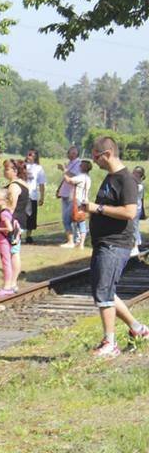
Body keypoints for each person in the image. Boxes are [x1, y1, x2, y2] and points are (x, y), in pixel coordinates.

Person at [84, 136, 147, 357]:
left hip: (115, 243)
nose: (94, 161)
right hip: (104, 242)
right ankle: (139, 329)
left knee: (104, 293)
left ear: (108, 154)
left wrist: (97, 209)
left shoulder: (126, 180)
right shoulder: (110, 178)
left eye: (96, 156)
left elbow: (130, 212)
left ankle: (110, 344)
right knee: (103, 290)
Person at [2, 159, 28, 290]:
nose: (4, 171)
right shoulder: (23, 184)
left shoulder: (13, 186)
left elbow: (11, 207)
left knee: (13, 252)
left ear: (15, 171)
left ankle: (12, 282)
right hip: (20, 220)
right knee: (15, 251)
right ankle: (13, 282)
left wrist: (5, 221)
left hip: (14, 222)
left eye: (7, 169)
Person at [0, 187, 20, 297]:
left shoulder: (3, 213)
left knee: (6, 262)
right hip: (9, 239)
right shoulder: (7, 211)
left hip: (4, 240)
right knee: (8, 261)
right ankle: (9, 285)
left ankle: (7, 286)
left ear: (5, 200)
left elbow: (9, 228)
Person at [60, 160, 92, 250]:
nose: (79, 166)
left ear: (84, 167)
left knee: (66, 220)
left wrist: (64, 171)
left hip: (76, 201)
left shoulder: (81, 177)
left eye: (81, 165)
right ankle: (81, 244)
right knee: (81, 221)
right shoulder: (88, 178)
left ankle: (70, 242)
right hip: (84, 201)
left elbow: (69, 181)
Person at [56, 146, 82, 247]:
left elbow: (74, 176)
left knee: (68, 218)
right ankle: (73, 239)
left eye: (74, 153)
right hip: (65, 193)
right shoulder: (70, 163)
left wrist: (64, 169)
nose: (71, 154)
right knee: (68, 217)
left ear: (77, 154)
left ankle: (72, 241)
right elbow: (66, 176)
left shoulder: (78, 163)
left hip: (73, 194)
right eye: (70, 152)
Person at [24, 149, 47, 243]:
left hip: (32, 195)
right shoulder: (22, 165)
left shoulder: (38, 168)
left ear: (35, 157)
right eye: (28, 154)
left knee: (30, 217)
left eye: (31, 155)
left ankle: (28, 236)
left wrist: (42, 197)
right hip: (21, 194)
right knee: (20, 216)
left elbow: (41, 184)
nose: (28, 156)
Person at [133, 166, 145, 255]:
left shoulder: (139, 185)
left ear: (140, 174)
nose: (133, 173)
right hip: (136, 207)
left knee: (134, 227)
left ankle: (135, 247)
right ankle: (138, 242)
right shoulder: (136, 183)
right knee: (134, 226)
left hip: (135, 208)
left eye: (136, 172)